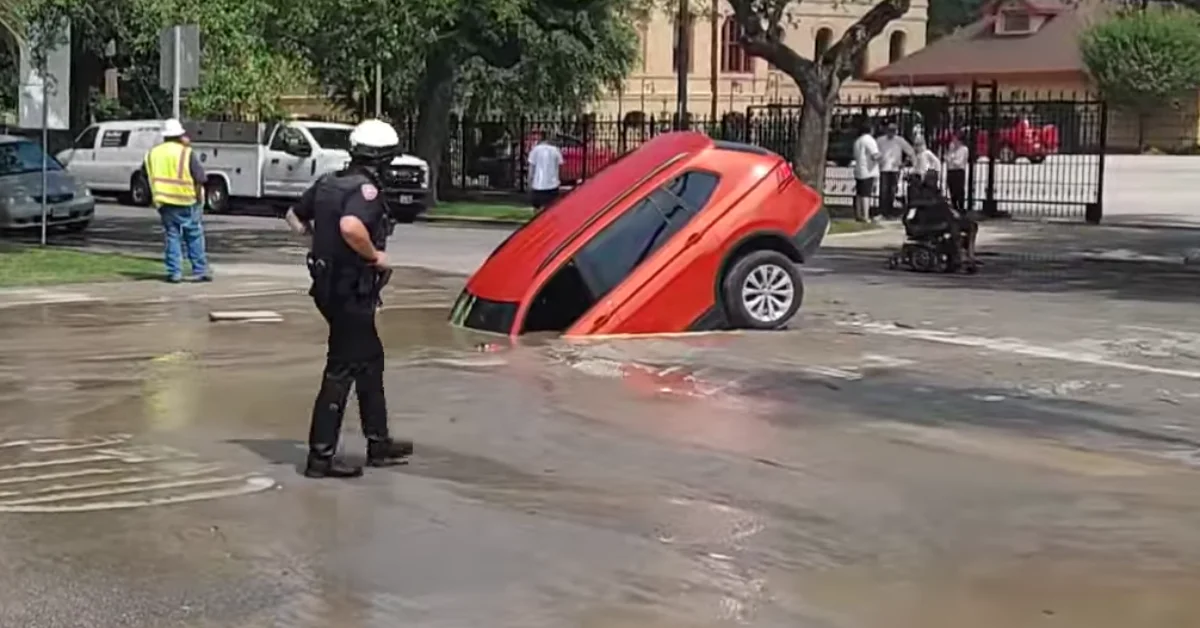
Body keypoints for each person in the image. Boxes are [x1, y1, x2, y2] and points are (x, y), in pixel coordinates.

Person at [284, 118, 413, 479]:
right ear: (382, 160)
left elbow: (294, 217)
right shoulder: (365, 191)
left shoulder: (329, 182)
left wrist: (317, 243)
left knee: (370, 361)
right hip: (349, 292)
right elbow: (351, 227)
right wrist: (374, 256)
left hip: (329, 286)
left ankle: (379, 442)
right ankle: (320, 458)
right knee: (341, 369)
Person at [143, 118, 210, 283]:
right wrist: (199, 197)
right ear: (180, 135)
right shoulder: (186, 152)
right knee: (194, 235)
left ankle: (175, 273)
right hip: (187, 199)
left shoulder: (153, 153)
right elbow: (200, 177)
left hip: (164, 201)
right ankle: (199, 270)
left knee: (172, 236)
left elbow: (145, 176)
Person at [876, 121, 915, 219]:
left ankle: (890, 212)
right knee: (883, 191)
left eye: (893, 130)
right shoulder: (880, 140)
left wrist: (904, 163)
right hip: (884, 168)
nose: (891, 132)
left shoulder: (899, 140)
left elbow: (910, 151)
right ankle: (883, 212)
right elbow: (875, 151)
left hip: (895, 169)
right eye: (889, 130)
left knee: (892, 191)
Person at [851, 121, 881, 223]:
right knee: (866, 195)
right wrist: (881, 156)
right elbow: (875, 155)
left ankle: (858, 214)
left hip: (859, 169)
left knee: (859, 193)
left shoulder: (857, 141)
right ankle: (866, 216)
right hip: (868, 170)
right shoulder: (869, 140)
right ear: (870, 130)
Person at [527, 131, 563, 213]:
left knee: (537, 208)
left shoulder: (535, 150)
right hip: (552, 185)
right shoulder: (555, 150)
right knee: (551, 209)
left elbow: (531, 168)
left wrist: (529, 181)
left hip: (538, 184)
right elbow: (560, 167)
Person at [944, 132, 969, 213]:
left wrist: (951, 158)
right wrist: (950, 154)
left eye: (955, 140)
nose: (953, 142)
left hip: (959, 172)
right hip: (951, 171)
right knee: (952, 189)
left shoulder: (964, 149)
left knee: (959, 190)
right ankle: (954, 207)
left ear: (959, 141)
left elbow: (959, 163)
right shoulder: (952, 150)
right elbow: (946, 159)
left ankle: (961, 208)